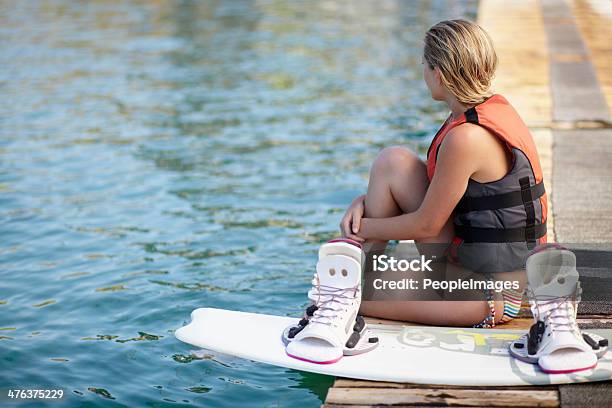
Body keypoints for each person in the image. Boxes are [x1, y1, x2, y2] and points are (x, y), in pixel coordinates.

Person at [285, 19, 548, 364]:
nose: (422, 71)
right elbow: (456, 199)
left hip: (489, 293)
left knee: (348, 296)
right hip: (474, 267)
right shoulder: (484, 113)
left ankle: (349, 294)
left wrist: (358, 229)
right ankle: (360, 271)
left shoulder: (466, 138)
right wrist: (363, 203)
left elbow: (426, 226)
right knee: (393, 161)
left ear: (438, 73)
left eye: (424, 64)